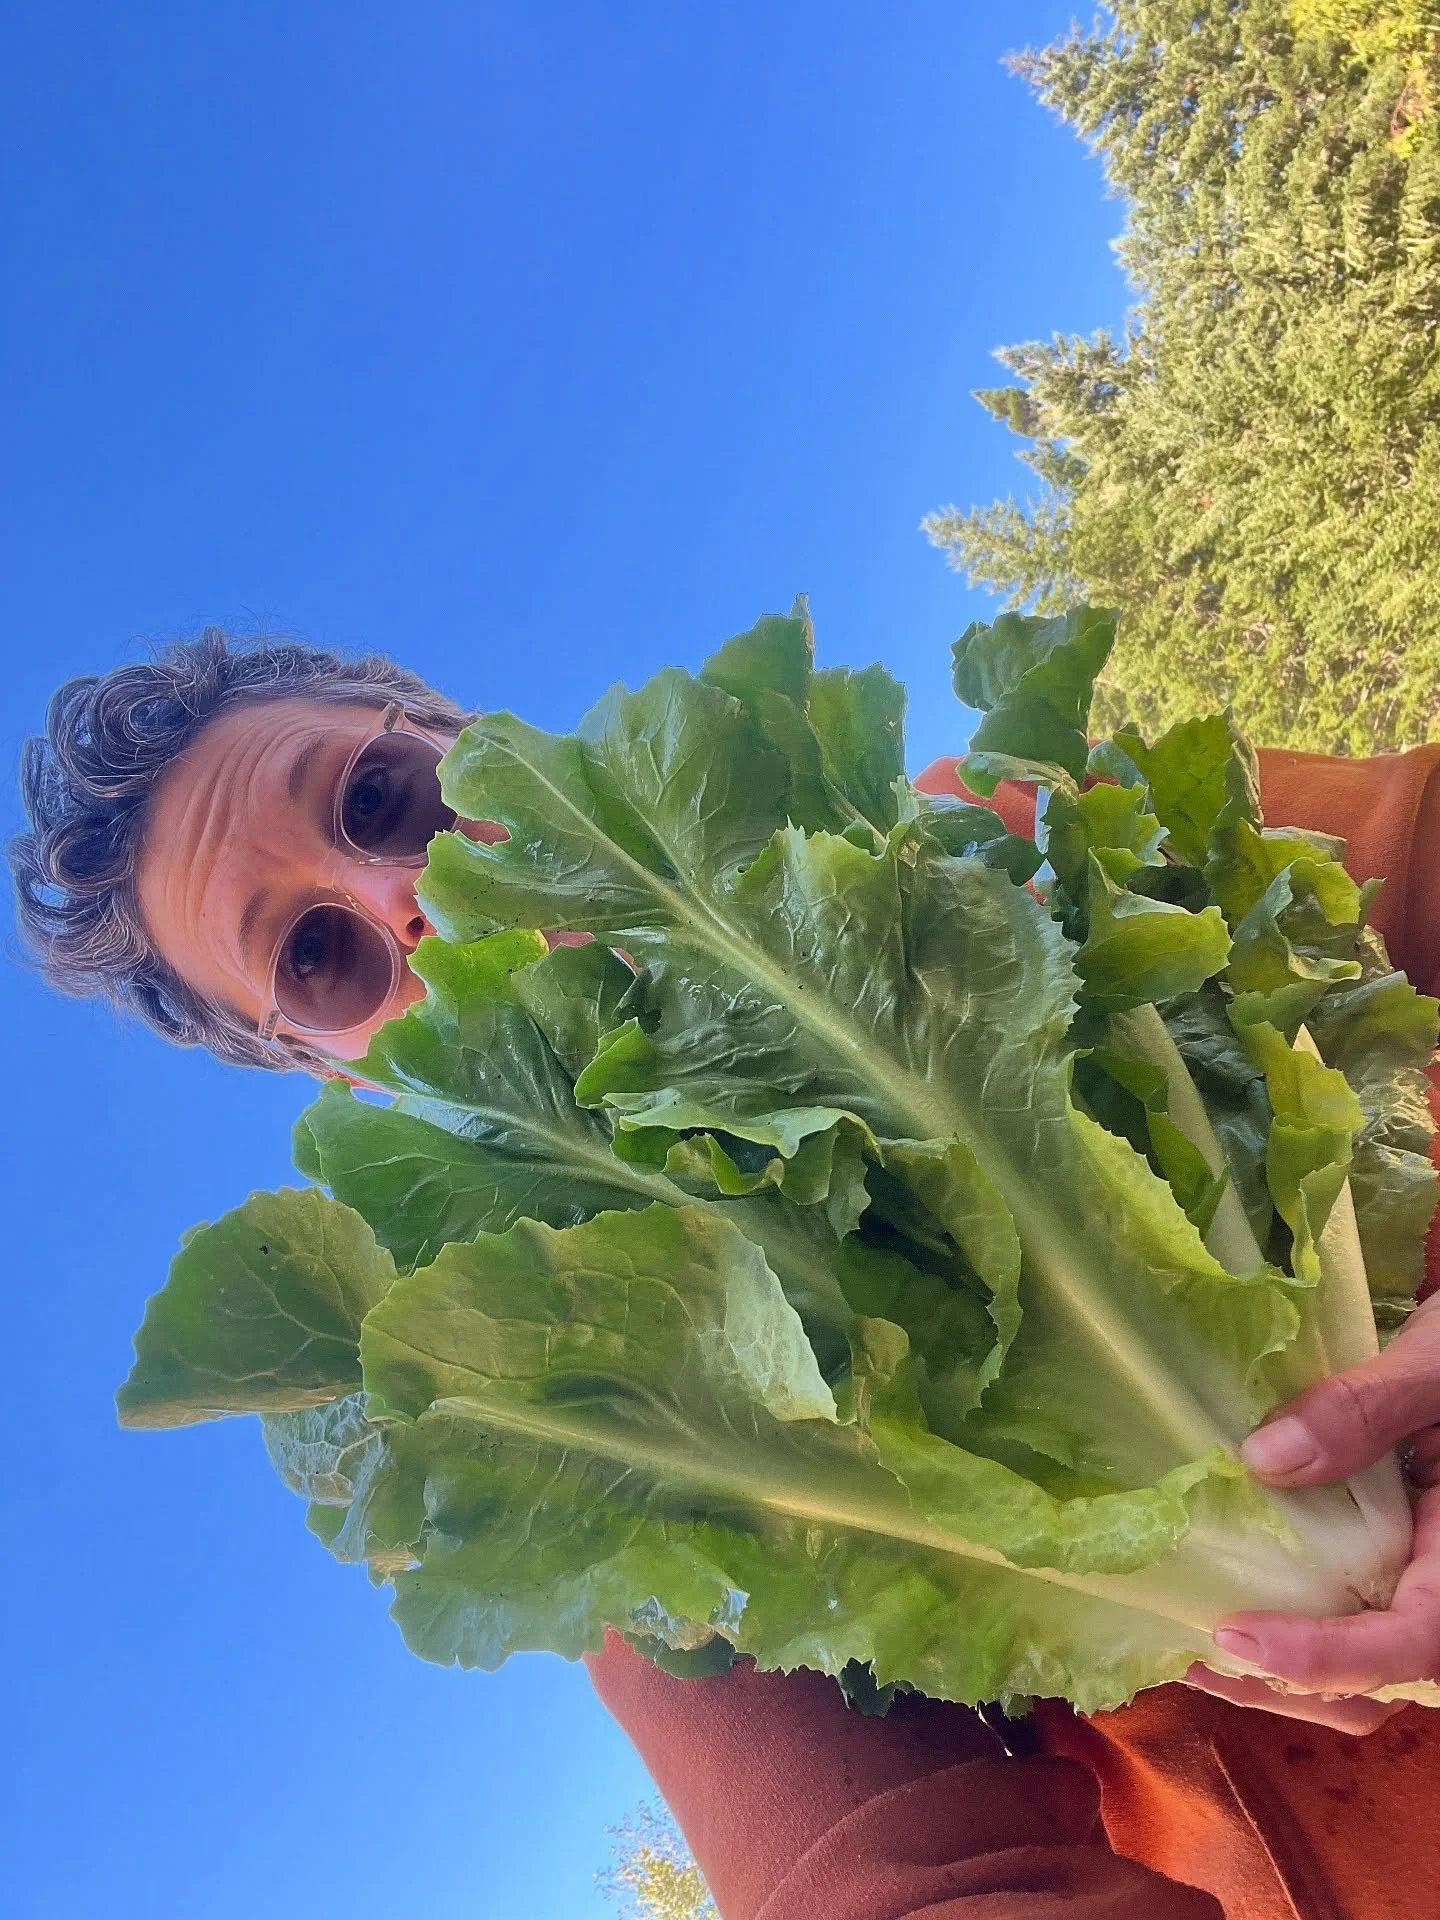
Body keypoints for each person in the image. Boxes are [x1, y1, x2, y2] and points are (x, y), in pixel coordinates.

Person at [13, 629, 1440, 1919]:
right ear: (338, 1069)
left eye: (381, 798)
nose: (404, 894)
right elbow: (879, 1888)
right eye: (318, 955)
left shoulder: (987, 847)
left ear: (464, 735)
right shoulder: (594, 1416)